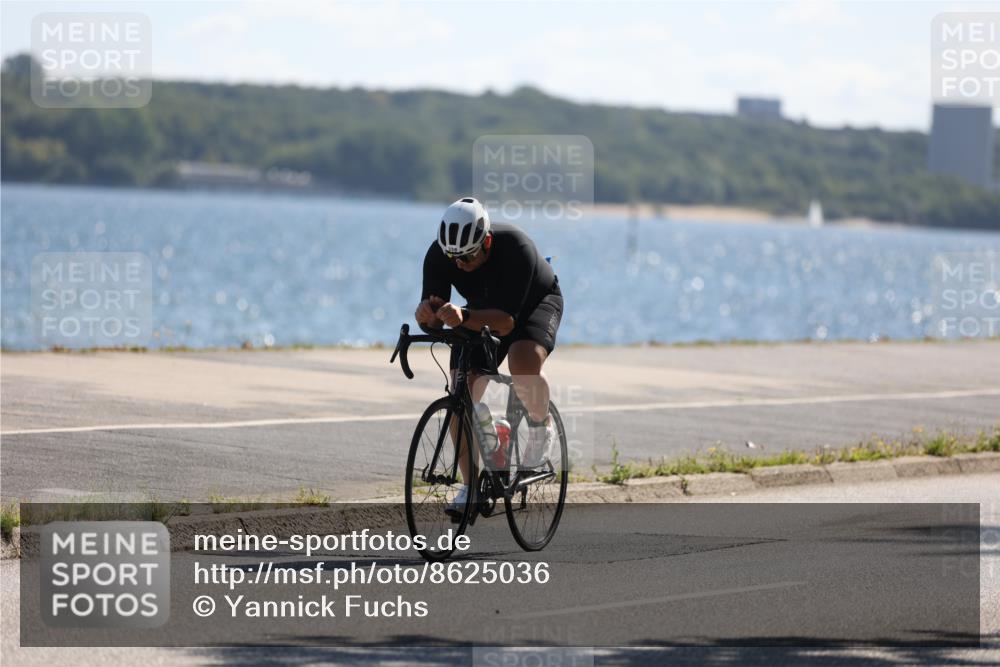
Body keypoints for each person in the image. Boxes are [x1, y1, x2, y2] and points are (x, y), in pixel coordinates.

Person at [415, 197, 563, 515]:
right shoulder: (440, 255)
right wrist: (425, 315)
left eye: (468, 255)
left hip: (534, 304)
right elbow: (435, 314)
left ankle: (541, 426)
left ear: (488, 241)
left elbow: (508, 322)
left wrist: (463, 315)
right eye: (453, 256)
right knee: (460, 394)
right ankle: (471, 487)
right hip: (479, 311)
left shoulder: (516, 247)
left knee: (522, 361)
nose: (460, 264)